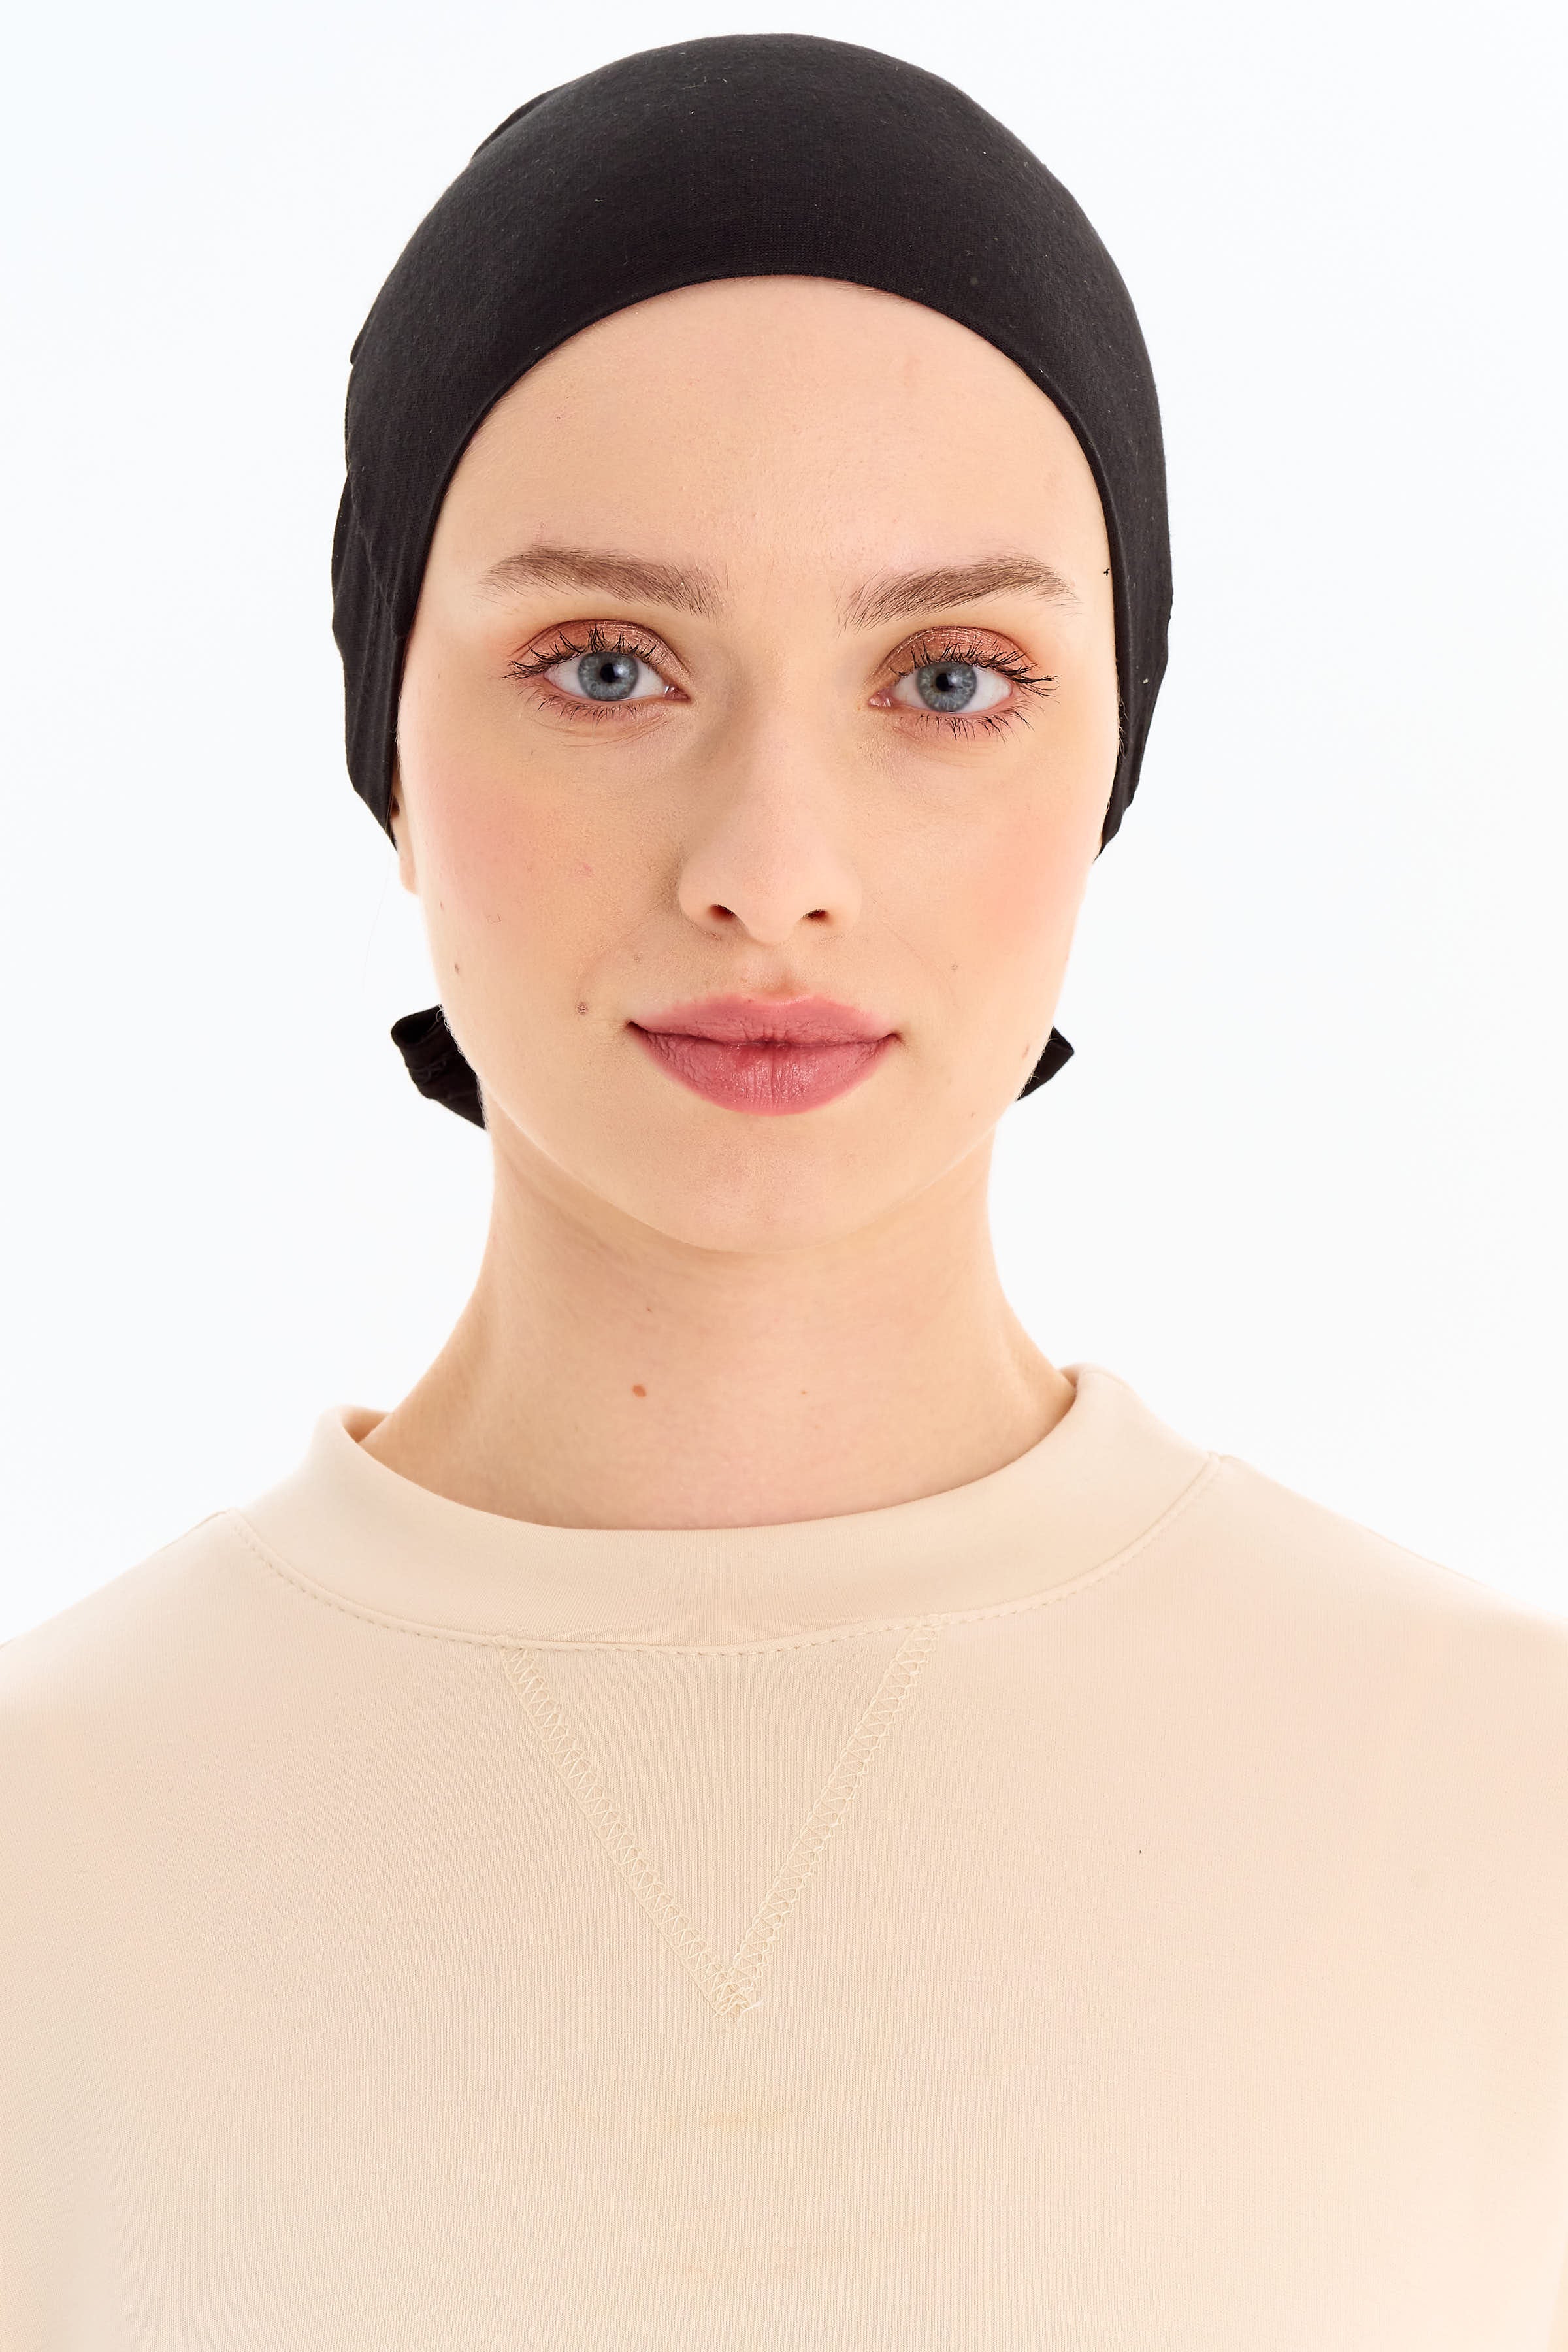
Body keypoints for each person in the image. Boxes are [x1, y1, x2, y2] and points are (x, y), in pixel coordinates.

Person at [3, 33, 1566, 2349]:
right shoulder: (48, 1857)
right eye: (606, 665)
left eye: (949, 679)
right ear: (386, 740)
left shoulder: (1505, 1815)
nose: (772, 869)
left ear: (1114, 752)